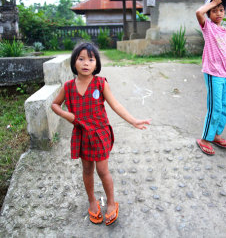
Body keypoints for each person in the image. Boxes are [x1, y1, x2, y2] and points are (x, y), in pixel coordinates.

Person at [51, 42, 151, 225]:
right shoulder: (68, 87)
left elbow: (116, 105)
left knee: (103, 170)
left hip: (99, 134)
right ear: (74, 63)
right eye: (81, 59)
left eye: (91, 59)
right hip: (82, 135)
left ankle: (111, 202)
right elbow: (54, 104)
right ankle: (92, 201)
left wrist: (133, 120)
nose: (86, 63)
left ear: (96, 64)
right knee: (87, 170)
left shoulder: (100, 83)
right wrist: (68, 116)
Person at [195, 0, 226, 155]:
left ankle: (215, 134)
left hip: (225, 73)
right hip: (213, 73)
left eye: (221, 10)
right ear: (209, 13)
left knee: (224, 106)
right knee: (214, 107)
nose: (218, 13)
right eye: (214, 10)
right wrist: (212, 2)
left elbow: (222, 50)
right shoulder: (208, 27)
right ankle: (204, 139)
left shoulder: (225, 32)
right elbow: (198, 13)